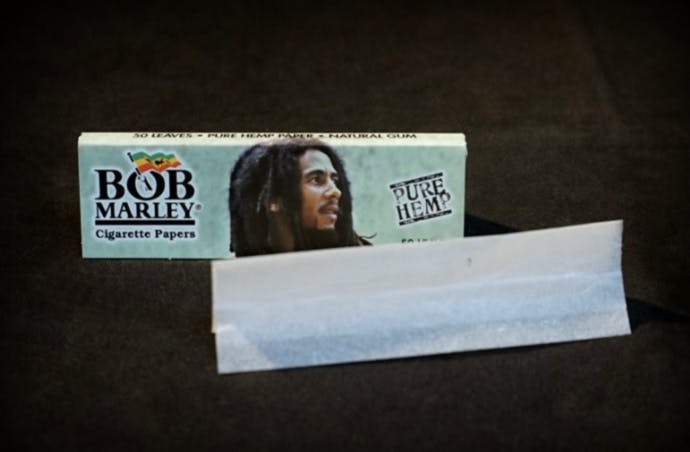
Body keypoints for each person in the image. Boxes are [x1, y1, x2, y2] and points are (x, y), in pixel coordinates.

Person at [229, 138, 371, 256]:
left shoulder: (361, 260)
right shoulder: (237, 274)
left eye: (334, 180)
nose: (336, 192)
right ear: (273, 198)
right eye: (316, 179)